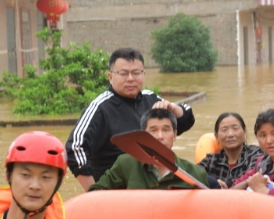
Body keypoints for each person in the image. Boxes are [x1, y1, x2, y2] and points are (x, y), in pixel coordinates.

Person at [66, 48, 196, 192]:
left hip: (153, 183)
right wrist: (94, 192)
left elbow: (185, 121)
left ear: (144, 74)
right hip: (117, 189)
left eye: (136, 73)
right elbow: (74, 148)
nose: (130, 79)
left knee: (206, 181)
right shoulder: (101, 108)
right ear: (110, 77)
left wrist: (173, 108)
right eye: (123, 73)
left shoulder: (150, 98)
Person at [89, 108, 208, 191]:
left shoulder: (195, 174)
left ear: (175, 135)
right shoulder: (125, 164)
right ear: (143, 135)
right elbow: (95, 193)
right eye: (153, 130)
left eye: (166, 130)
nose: (160, 136)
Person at [197, 112, 264, 188]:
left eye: (235, 129)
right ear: (217, 137)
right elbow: (193, 174)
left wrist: (218, 187)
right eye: (224, 130)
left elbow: (253, 178)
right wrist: (214, 183)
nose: (230, 134)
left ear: (244, 133)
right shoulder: (211, 160)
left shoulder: (255, 154)